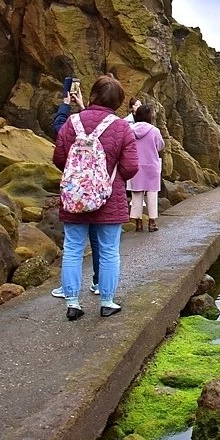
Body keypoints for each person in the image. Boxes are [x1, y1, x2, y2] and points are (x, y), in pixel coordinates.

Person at [53, 74, 139, 321]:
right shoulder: (122, 127)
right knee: (109, 250)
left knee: (72, 249)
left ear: (92, 95)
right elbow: (131, 166)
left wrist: (80, 179)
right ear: (119, 101)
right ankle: (107, 302)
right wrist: (109, 179)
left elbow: (60, 158)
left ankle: (72, 302)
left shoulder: (72, 122)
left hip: (74, 196)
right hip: (109, 198)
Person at [51, 87, 100, 298]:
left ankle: (69, 291)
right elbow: (97, 123)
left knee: (72, 247)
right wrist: (83, 106)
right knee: (100, 243)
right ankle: (99, 283)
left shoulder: (69, 126)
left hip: (74, 190)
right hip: (98, 192)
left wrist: (65, 104)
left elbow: (58, 128)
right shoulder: (111, 125)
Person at [128, 104, 165, 233]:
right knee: (152, 193)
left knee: (137, 193)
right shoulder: (154, 130)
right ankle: (152, 222)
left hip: (136, 165)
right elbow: (160, 146)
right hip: (151, 165)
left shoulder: (130, 129)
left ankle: (138, 222)